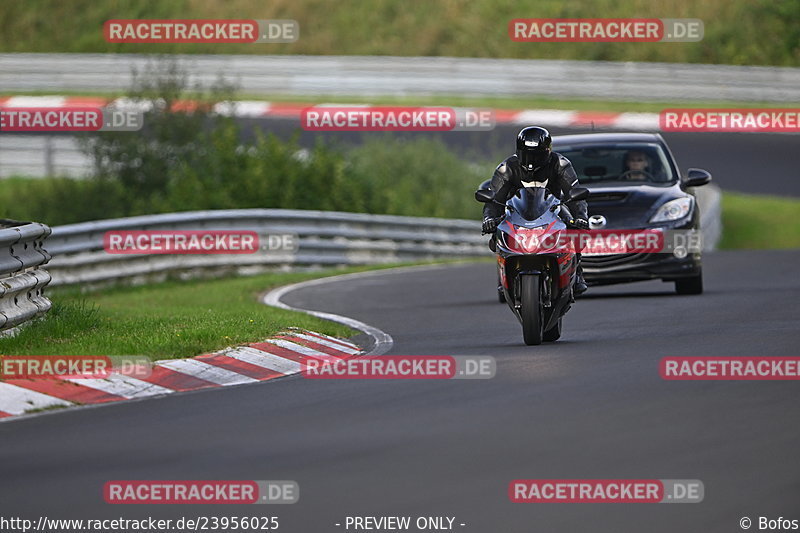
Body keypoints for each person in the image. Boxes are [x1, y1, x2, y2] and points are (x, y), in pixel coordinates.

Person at [480, 126, 589, 295]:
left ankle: (578, 270)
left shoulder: (560, 164)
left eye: (537, 155)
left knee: (576, 227)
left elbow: (575, 195)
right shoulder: (506, 168)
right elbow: (494, 200)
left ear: (547, 151)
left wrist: (581, 217)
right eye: (527, 154)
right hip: (516, 211)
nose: (532, 160)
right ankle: (503, 274)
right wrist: (488, 219)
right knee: (498, 231)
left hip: (553, 209)